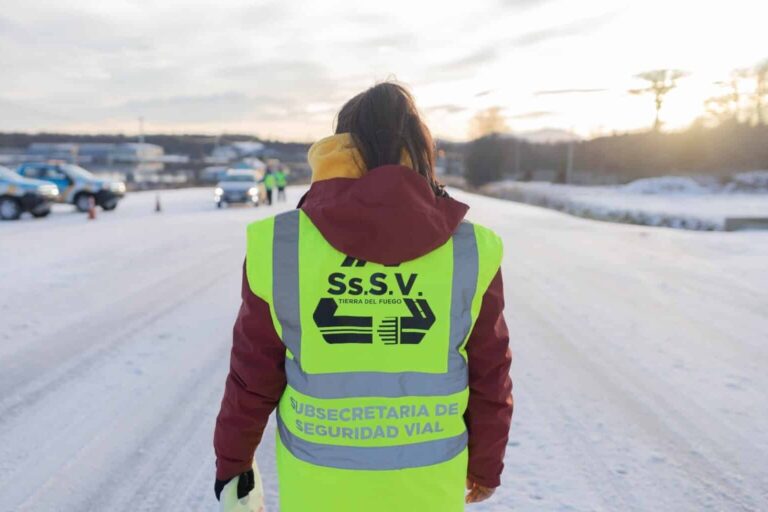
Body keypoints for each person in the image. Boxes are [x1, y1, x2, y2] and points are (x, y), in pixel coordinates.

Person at [213, 82, 513, 512]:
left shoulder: (282, 243)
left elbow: (252, 372)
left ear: (338, 148)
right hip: (428, 488)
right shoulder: (470, 248)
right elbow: (490, 371)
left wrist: (233, 462)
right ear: (420, 151)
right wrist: (485, 465)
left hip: (318, 488)